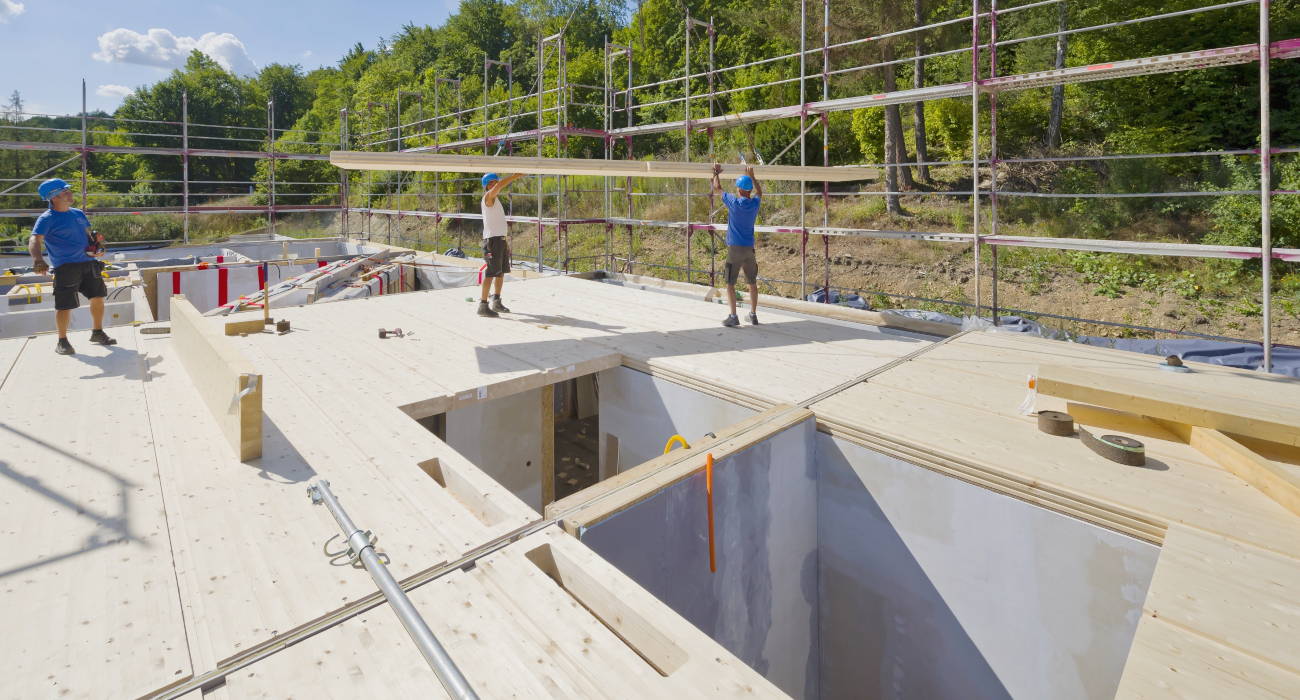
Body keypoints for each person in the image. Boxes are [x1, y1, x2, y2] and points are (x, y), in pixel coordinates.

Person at [29, 178, 115, 355]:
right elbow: (34, 240)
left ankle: (97, 332)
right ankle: (62, 341)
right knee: (64, 305)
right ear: (54, 197)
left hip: (89, 263)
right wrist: (38, 260)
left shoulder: (78, 214)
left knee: (98, 297)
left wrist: (97, 247)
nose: (70, 193)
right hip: (66, 267)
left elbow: (89, 236)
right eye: (65, 191)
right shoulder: (47, 218)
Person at [711, 163, 763, 327]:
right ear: (749, 190)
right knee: (752, 283)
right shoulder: (754, 204)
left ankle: (733, 316)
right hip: (749, 250)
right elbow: (760, 193)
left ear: (739, 189)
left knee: (730, 284)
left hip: (735, 250)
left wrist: (716, 173)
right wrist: (752, 176)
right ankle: (753, 315)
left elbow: (717, 188)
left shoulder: (733, 202)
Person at [478, 172, 525, 318]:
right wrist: (515, 175)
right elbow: (499, 186)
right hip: (492, 242)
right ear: (486, 186)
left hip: (500, 240)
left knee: (500, 272)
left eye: (495, 182)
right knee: (491, 273)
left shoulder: (495, 200)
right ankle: (483, 306)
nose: (494, 185)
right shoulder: (488, 197)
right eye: (491, 183)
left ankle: (496, 301)